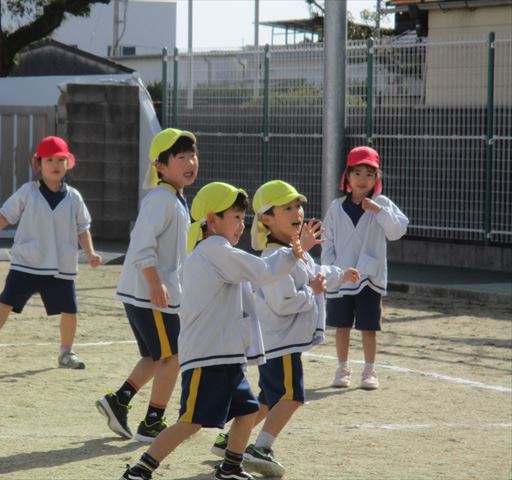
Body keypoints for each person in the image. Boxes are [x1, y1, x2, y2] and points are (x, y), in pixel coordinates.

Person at [120, 182, 306, 480]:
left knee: (247, 410)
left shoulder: (217, 251)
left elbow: (255, 273)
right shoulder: (214, 249)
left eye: (243, 218)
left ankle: (230, 467)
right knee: (190, 422)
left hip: (225, 356)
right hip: (209, 357)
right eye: (235, 217)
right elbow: (262, 270)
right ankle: (140, 469)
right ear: (212, 219)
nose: (241, 225)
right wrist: (295, 253)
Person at [210, 180, 360, 477]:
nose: (297, 213)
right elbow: (284, 302)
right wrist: (313, 292)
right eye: (287, 208)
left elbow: (316, 273)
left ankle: (229, 441)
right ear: (266, 219)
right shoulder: (274, 257)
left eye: (298, 206)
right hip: (282, 343)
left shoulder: (294, 252)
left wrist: (340, 274)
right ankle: (261, 448)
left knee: (269, 399)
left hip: (278, 342)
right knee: (292, 397)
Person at [96, 128, 199, 443]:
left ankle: (119, 401)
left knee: (157, 356)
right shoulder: (161, 199)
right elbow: (142, 245)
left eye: (193, 156)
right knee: (173, 356)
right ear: (160, 166)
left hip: (149, 294)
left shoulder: (174, 198)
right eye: (181, 157)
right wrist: (155, 284)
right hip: (150, 294)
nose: (190, 163)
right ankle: (153, 422)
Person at [0, 135, 102, 369]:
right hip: (27, 262)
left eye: (60, 160)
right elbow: (5, 216)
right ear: (38, 164)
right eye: (49, 160)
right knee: (5, 302)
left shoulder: (74, 197)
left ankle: (66, 352)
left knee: (70, 310)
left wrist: (90, 253)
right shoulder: (28, 191)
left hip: (61, 265)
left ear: (68, 163)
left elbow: (83, 228)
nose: (55, 165)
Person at [322, 146, 408, 390]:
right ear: (347, 176)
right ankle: (342, 368)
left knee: (369, 327)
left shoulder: (382, 203)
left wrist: (378, 211)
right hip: (341, 277)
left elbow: (397, 231)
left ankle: (369, 370)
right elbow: (327, 240)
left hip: (370, 277)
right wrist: (331, 270)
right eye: (357, 173)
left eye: (369, 174)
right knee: (341, 325)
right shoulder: (336, 207)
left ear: (376, 178)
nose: (363, 179)